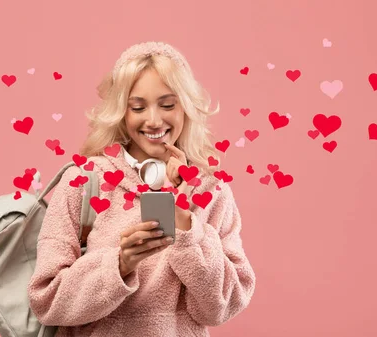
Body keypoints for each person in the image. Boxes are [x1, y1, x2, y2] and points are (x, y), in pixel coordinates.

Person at [28, 41, 256, 336]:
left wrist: (187, 226)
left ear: (186, 106)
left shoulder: (212, 190)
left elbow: (222, 307)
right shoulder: (83, 181)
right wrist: (120, 264)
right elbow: (46, 301)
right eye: (138, 107)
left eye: (167, 104)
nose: (153, 120)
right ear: (121, 112)